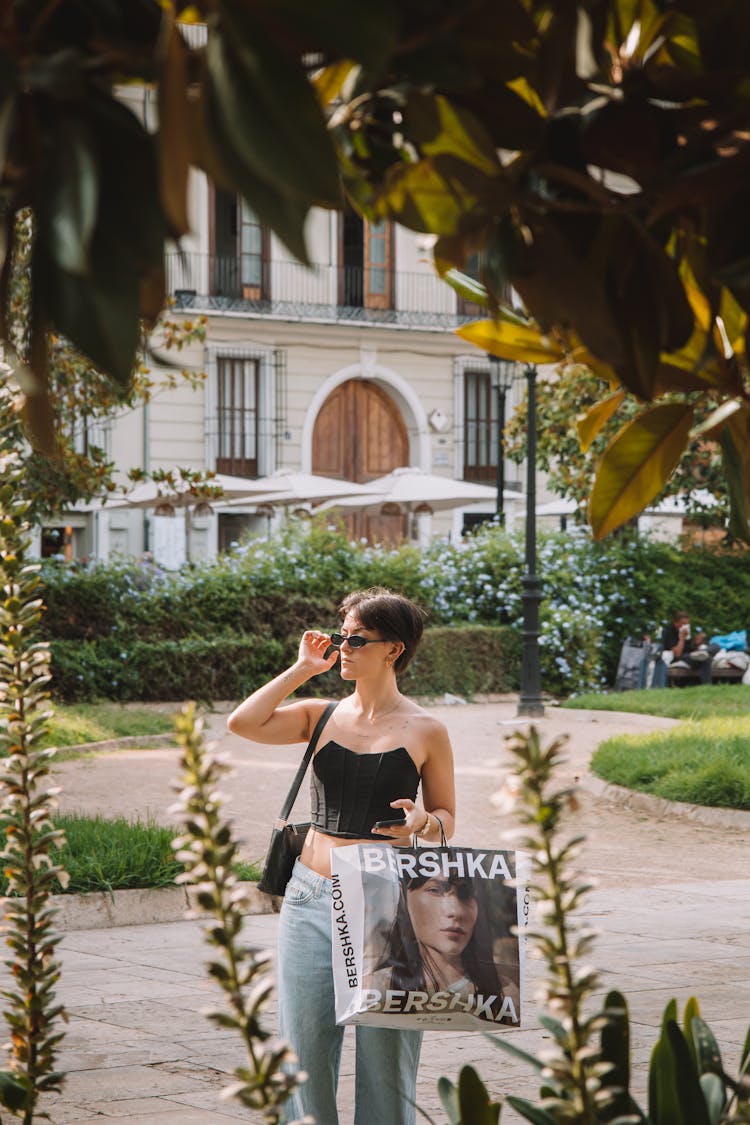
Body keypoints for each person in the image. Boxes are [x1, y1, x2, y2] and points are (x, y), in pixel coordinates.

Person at [226, 587, 456, 1125]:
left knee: (386, 1052)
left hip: (387, 900)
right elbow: (242, 723)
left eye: (356, 639)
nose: (343, 648)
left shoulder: (426, 729)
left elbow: (446, 816)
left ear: (393, 650)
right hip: (310, 894)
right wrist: (303, 668)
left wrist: (423, 822)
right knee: (301, 1048)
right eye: (340, 636)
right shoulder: (319, 715)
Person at [371, 870, 517, 1024]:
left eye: (466, 894)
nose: (455, 911)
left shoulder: (506, 992)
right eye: (434, 890)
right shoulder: (375, 986)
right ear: (402, 894)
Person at [661, 610, 713, 683]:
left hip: (690, 656)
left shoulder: (686, 631)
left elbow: (690, 649)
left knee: (708, 655)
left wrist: (696, 643)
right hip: (677, 659)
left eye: (687, 624)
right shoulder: (668, 632)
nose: (686, 626)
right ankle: (705, 653)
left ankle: (707, 687)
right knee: (704, 658)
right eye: (683, 624)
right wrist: (681, 638)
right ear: (676, 623)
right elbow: (677, 654)